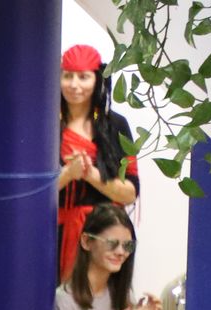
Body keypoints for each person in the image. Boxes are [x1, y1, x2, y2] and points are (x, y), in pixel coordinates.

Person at [57, 45, 138, 284]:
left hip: (107, 237)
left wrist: (91, 175)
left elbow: (130, 193)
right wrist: (67, 174)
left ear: (98, 79)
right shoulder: (45, 125)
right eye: (67, 76)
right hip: (54, 234)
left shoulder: (116, 125)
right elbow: (31, 192)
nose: (74, 85)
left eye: (83, 77)